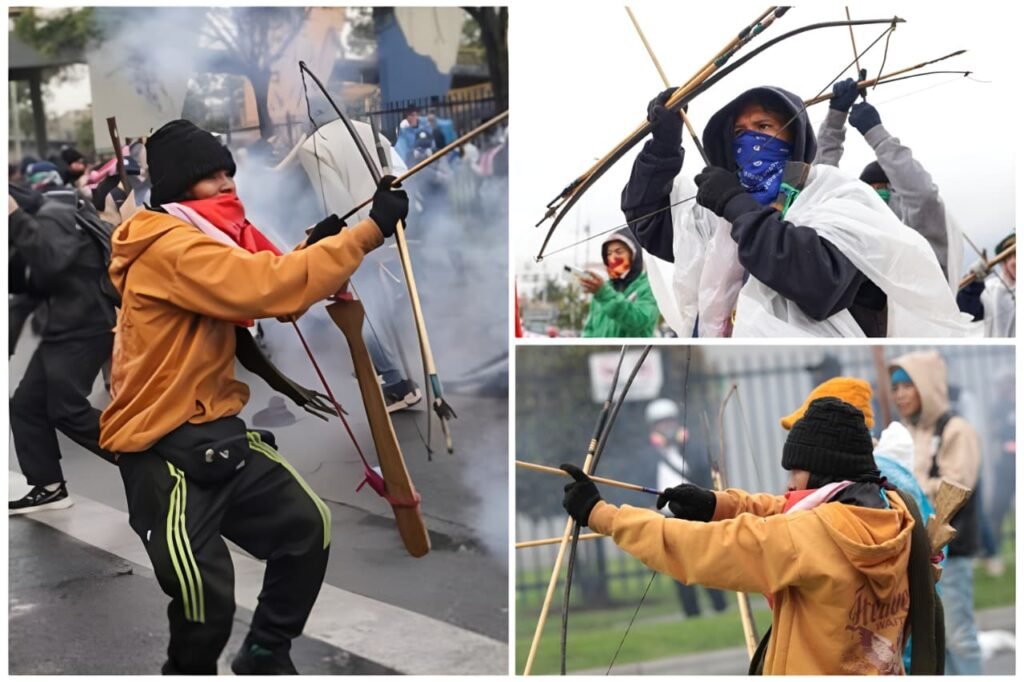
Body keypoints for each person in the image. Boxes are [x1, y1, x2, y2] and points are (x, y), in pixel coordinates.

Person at [98, 119, 408, 674]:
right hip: (160, 450)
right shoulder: (172, 246)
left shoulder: (202, 237)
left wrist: (318, 246)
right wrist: (366, 233)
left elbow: (271, 288)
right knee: (203, 606)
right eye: (207, 177)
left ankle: (266, 651)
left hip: (216, 432)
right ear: (176, 190)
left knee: (306, 529)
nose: (225, 185)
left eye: (226, 173)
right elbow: (266, 288)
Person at [562, 397, 942, 674]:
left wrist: (603, 515)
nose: (788, 482)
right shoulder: (893, 511)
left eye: (795, 471)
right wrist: (716, 505)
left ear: (823, 471)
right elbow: (785, 510)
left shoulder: (810, 535)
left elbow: (702, 548)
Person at [621, 86, 975, 338]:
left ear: (794, 140)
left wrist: (737, 207)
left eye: (763, 128)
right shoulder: (718, 214)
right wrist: (663, 147)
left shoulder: (835, 197)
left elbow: (819, 280)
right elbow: (647, 220)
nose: (749, 143)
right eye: (739, 133)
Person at [8, 169, 118, 513]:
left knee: (65, 409)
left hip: (84, 326)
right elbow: (28, 290)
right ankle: (49, 486)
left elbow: (51, 263)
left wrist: (13, 219)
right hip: (62, 328)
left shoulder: (52, 217)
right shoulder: (35, 225)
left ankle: (148, 457)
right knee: (25, 403)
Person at [814, 79, 962, 284]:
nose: (877, 195)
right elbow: (819, 188)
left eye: (883, 188)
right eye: (870, 190)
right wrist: (834, 120)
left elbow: (923, 197)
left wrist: (877, 135)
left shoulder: (923, 243)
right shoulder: (860, 240)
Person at [889, 351, 982, 674]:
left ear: (926, 386)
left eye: (906, 385)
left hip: (950, 549)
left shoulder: (956, 430)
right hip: (919, 552)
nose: (899, 394)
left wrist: (910, 487)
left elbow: (956, 489)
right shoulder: (904, 432)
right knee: (931, 640)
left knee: (958, 637)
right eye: (895, 388)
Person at [643, 398, 727, 618]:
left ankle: (720, 607)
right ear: (653, 427)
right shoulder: (649, 454)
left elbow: (704, 473)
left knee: (707, 561)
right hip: (667, 516)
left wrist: (684, 446)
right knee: (678, 567)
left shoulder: (693, 447)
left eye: (670, 422)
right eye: (661, 423)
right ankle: (691, 612)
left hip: (694, 512)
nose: (667, 427)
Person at [580, 230, 659, 337]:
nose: (613, 258)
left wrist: (603, 294)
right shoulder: (601, 290)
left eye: (619, 251)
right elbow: (589, 330)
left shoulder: (650, 287)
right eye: (609, 253)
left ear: (634, 255)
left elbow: (640, 321)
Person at [957, 232, 1015, 337]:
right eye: (1013, 256)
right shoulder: (990, 291)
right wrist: (974, 284)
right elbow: (967, 310)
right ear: (1004, 263)